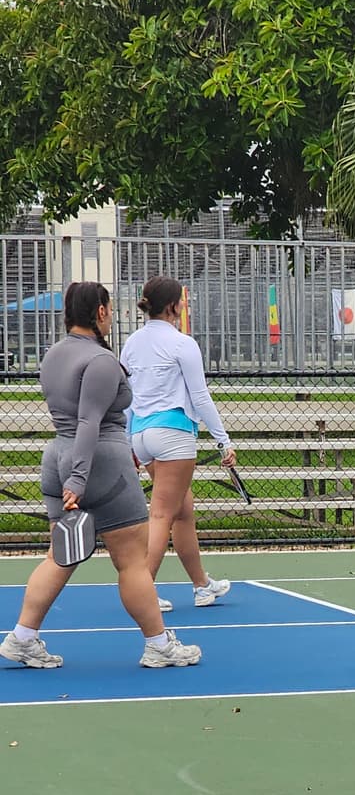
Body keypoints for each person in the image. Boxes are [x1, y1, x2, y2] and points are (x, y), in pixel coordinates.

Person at [0, 282, 201, 671]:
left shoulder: (53, 355)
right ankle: (159, 644)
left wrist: (72, 477)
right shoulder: (101, 361)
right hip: (99, 464)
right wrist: (79, 480)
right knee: (132, 562)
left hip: (58, 456)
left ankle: (22, 637)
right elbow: (89, 422)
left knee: (60, 557)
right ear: (101, 312)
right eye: (110, 309)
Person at [121, 275, 234, 612]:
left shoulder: (131, 343)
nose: (184, 305)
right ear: (173, 306)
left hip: (142, 435)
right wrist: (223, 440)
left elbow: (126, 399)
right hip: (173, 435)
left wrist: (129, 442)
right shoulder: (183, 344)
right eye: (182, 301)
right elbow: (200, 396)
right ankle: (145, 589)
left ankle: (201, 585)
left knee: (182, 512)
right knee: (160, 516)